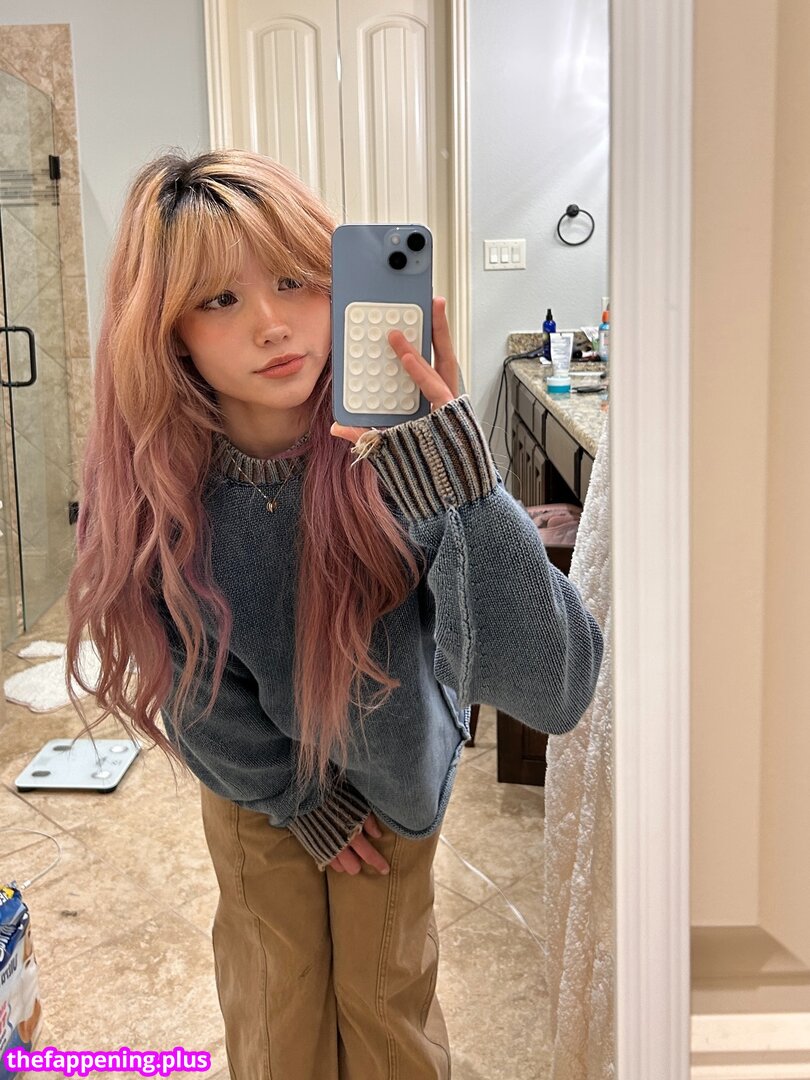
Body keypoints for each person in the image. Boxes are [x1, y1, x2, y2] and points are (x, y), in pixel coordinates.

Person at [65, 149, 604, 1080]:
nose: (271, 324)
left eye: (294, 280)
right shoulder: (163, 493)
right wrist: (294, 797)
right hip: (255, 790)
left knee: (389, 1012)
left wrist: (466, 490)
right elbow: (191, 684)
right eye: (220, 299)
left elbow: (555, 689)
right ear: (169, 332)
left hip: (397, 782)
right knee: (278, 1012)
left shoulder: (409, 464)